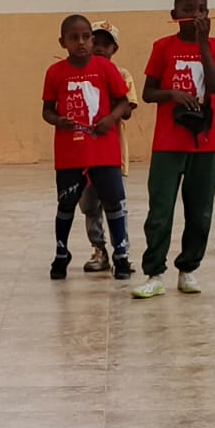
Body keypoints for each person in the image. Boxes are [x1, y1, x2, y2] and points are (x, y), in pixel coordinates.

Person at [133, 0, 215, 299]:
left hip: (204, 143)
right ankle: (154, 272)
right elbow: (148, 93)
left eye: (201, 9)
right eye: (187, 10)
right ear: (174, 15)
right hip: (167, 143)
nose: (195, 15)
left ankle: (188, 268)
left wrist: (203, 45)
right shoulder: (162, 47)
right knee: (160, 210)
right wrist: (172, 94)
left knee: (200, 212)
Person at [43, 14, 134, 280]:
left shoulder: (106, 69)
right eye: (74, 38)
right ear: (63, 42)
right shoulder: (55, 72)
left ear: (91, 40)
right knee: (67, 204)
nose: (81, 42)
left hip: (104, 152)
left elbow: (123, 102)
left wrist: (111, 119)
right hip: (70, 154)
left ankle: (121, 254)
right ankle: (62, 253)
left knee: (113, 202)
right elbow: (47, 110)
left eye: (85, 37)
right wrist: (57, 120)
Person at [78, 21, 139, 274]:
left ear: (115, 49)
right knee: (90, 206)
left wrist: (110, 111)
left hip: (113, 154)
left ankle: (121, 251)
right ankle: (98, 249)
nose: (100, 48)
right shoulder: (79, 74)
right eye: (96, 42)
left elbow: (128, 109)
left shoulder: (121, 75)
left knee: (117, 204)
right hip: (84, 154)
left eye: (106, 44)